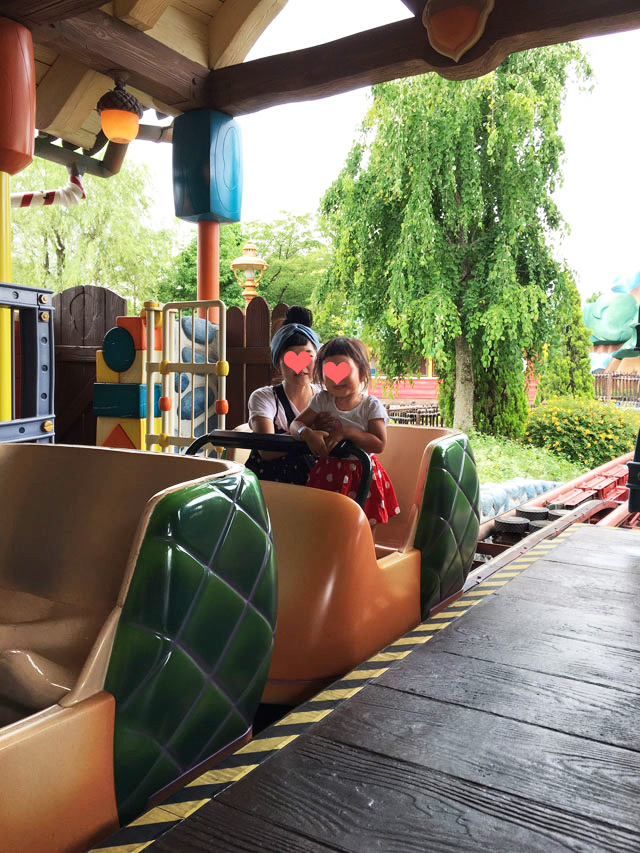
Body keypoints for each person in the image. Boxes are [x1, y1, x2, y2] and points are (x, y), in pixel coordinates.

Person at [290, 337, 400, 528]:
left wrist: (346, 433)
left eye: (345, 370)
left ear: (362, 372)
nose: (337, 378)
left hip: (362, 474)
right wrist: (307, 433)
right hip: (328, 471)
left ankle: (363, 548)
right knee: (326, 523)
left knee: (363, 525)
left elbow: (379, 443)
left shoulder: (370, 406)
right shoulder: (322, 400)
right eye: (329, 372)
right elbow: (295, 424)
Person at [246, 306, 330, 485]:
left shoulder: (326, 397)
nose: (301, 367)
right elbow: (266, 449)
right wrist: (308, 435)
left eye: (308, 357)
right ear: (278, 362)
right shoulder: (264, 397)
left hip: (317, 485)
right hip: (272, 487)